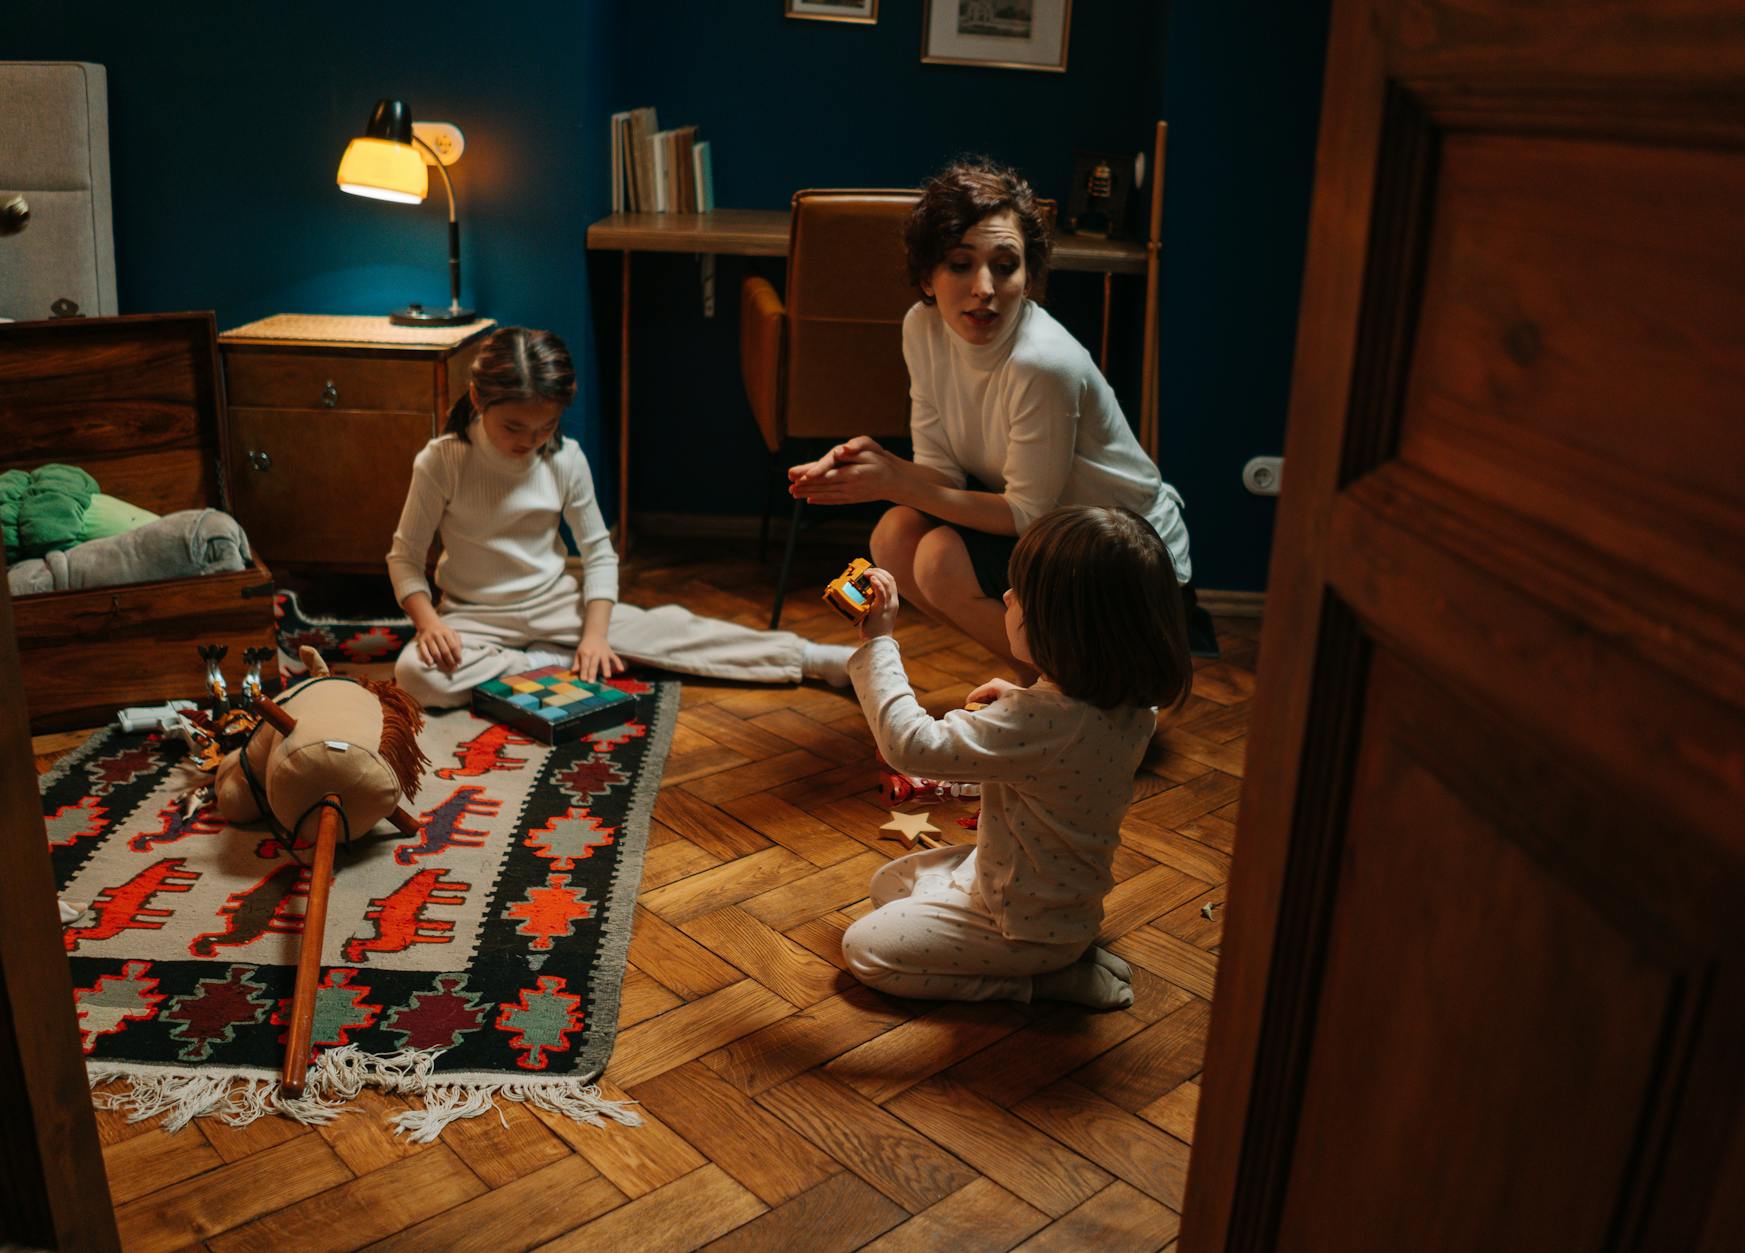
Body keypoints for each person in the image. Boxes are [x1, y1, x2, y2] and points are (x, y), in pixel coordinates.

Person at [787, 158, 1193, 678]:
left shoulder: (1042, 362)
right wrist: (873, 464)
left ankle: (1092, 697)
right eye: (960, 264)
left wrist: (896, 482)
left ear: (1029, 276)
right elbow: (942, 473)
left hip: (1126, 560)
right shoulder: (923, 328)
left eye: (1005, 266)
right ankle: (1044, 681)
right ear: (927, 278)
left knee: (938, 558)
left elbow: (1026, 513)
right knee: (894, 535)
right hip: (1053, 532)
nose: (984, 287)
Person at [387, 326, 852, 707]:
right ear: (477, 396)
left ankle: (811, 658)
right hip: (473, 617)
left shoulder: (566, 458)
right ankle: (541, 662)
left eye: (545, 426)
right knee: (415, 675)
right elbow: (405, 558)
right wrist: (430, 623)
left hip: (555, 607)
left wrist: (593, 637)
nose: (531, 440)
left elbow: (598, 556)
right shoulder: (442, 460)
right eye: (514, 427)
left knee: (671, 630)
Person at [840, 505, 1191, 1008]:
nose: (1005, 595)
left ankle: (1039, 983)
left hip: (1021, 926)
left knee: (866, 949)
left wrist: (879, 643)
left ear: (1063, 629)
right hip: (1051, 901)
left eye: (1020, 593)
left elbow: (908, 746)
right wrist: (1019, 698)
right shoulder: (1133, 704)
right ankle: (1067, 955)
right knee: (889, 884)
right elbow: (1064, 751)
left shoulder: (1040, 722)